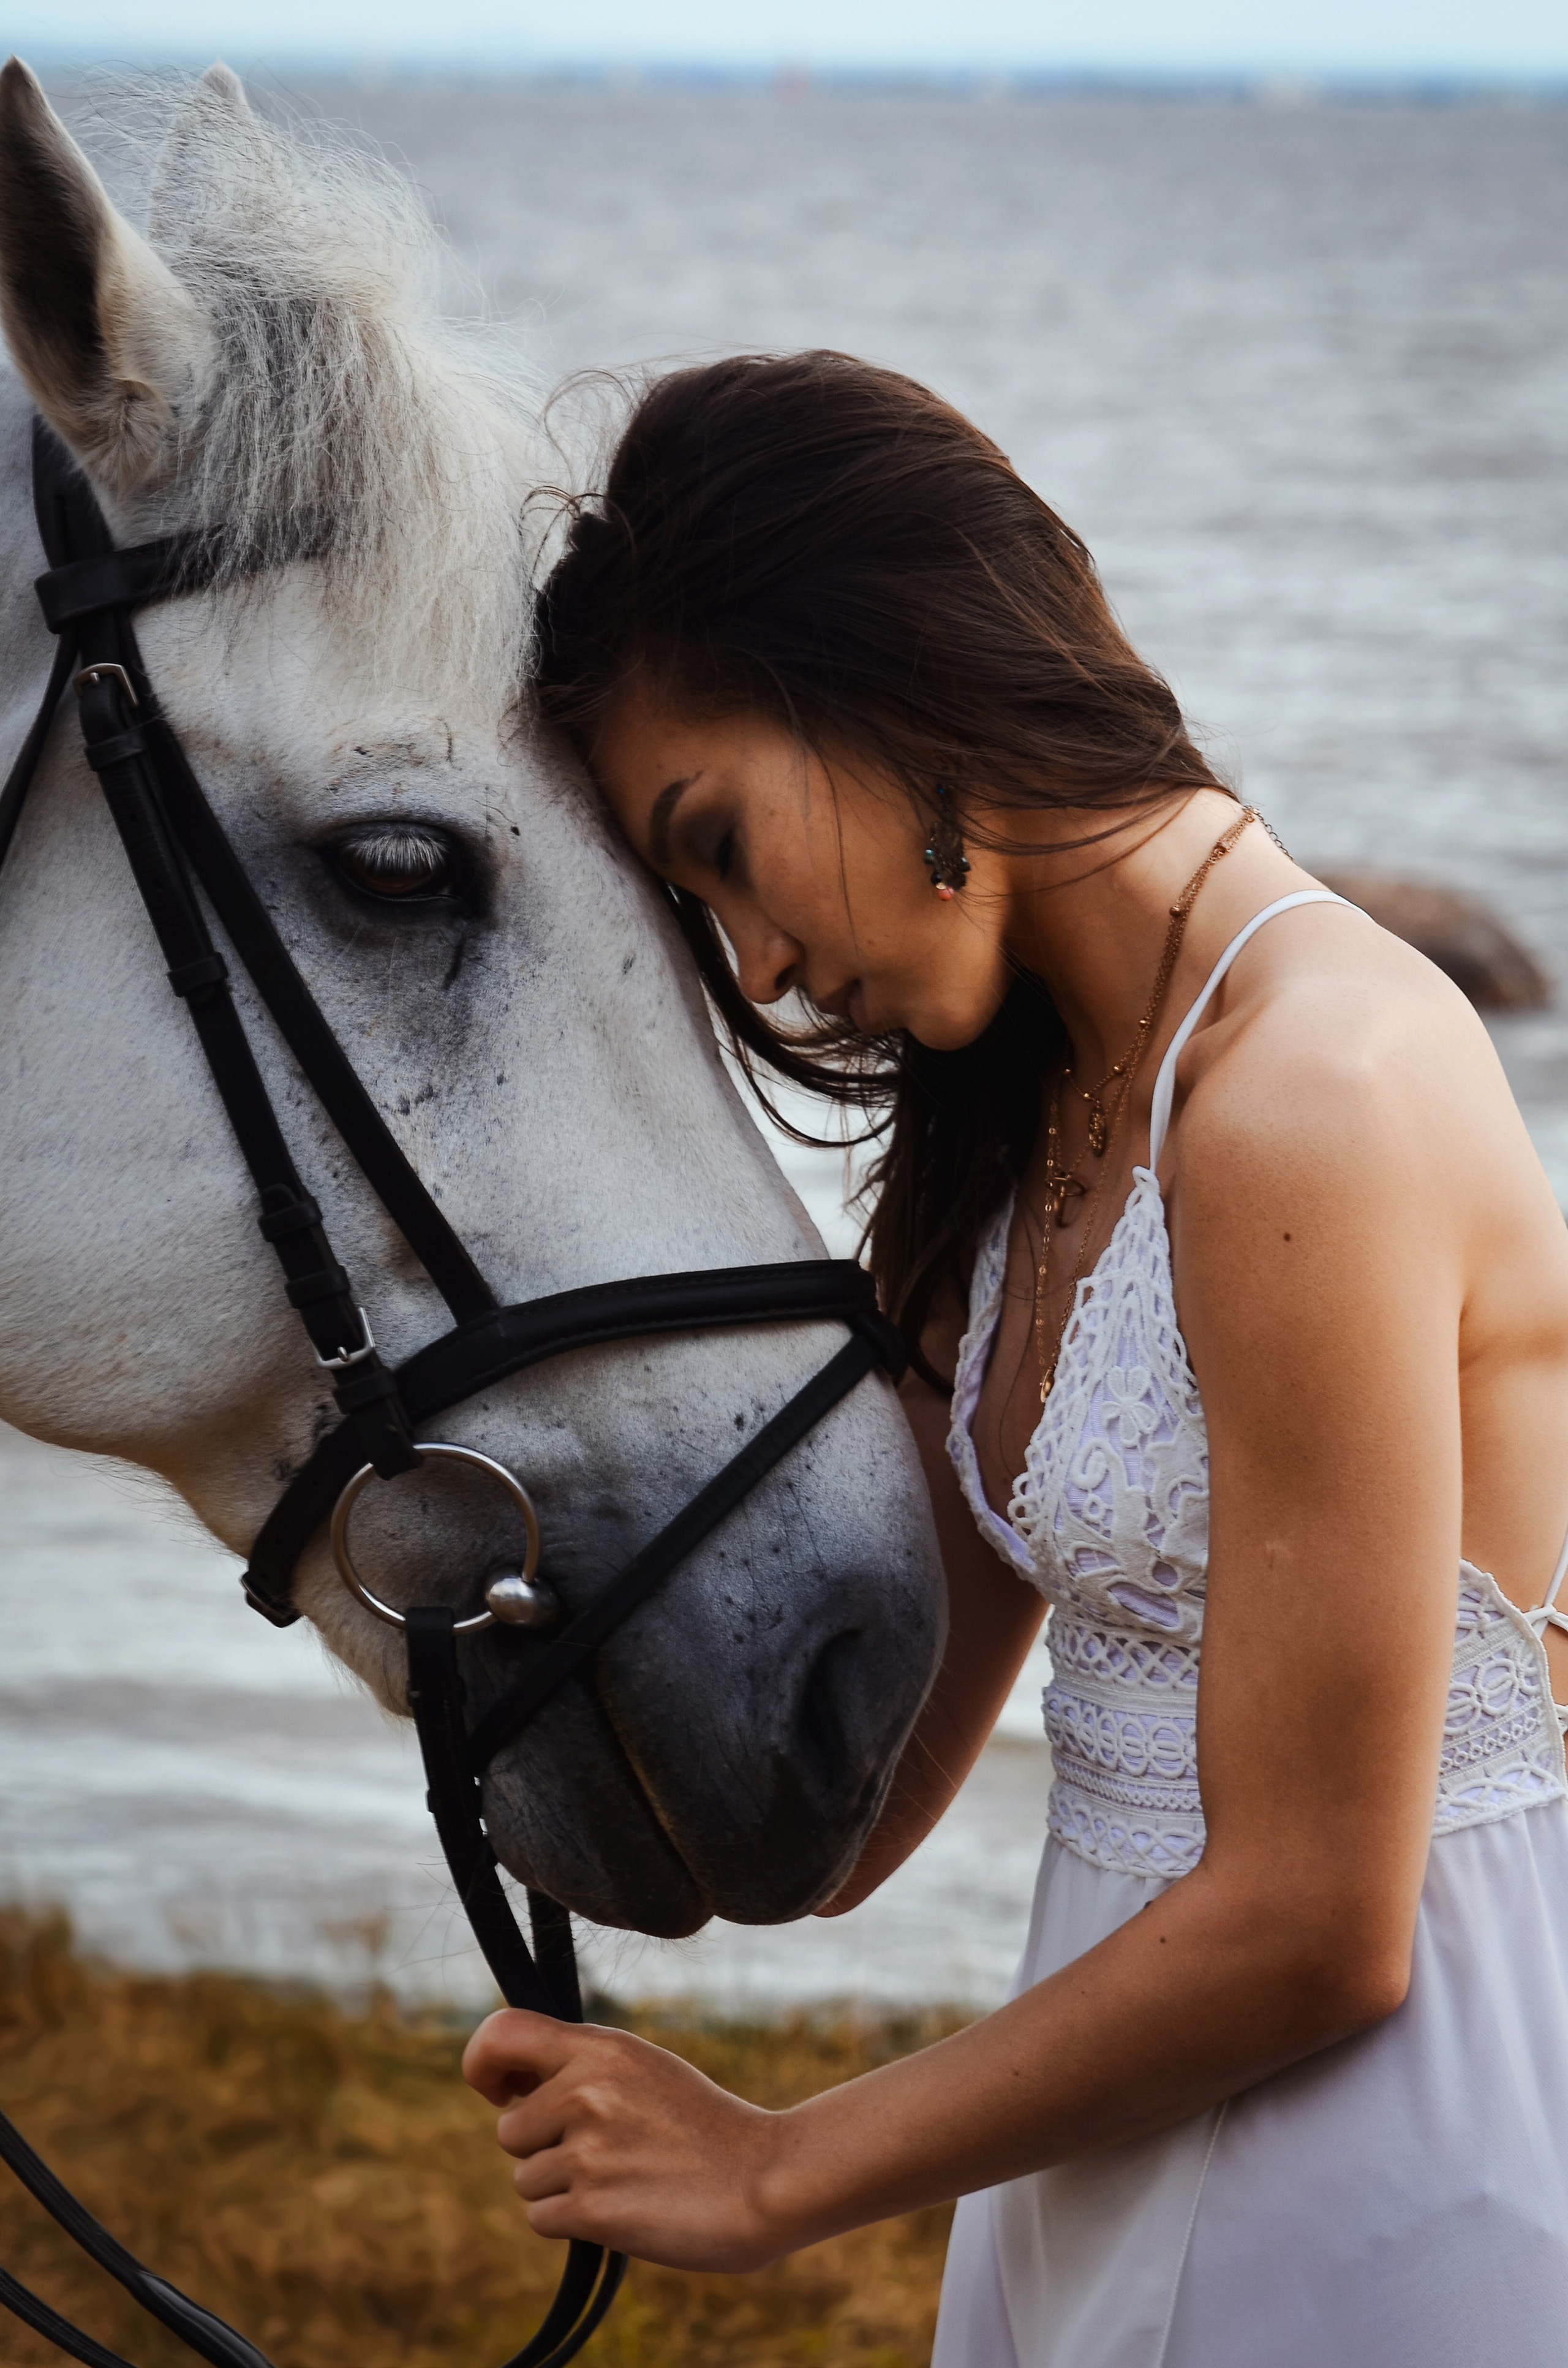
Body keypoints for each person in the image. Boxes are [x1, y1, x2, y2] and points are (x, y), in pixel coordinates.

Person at [461, 351, 1568, 2366]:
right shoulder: (1023, 1132)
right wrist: (495, 1613)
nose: (762, 965)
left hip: (1386, 2178)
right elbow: (850, 1819)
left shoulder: (1315, 1090)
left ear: (876, 668)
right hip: (1098, 2146)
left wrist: (775, 2168)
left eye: (719, 847)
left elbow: (1327, 1914)